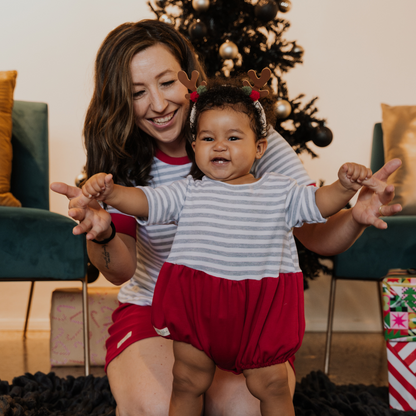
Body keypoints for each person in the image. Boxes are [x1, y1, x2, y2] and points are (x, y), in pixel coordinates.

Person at [50, 19, 402, 416]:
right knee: (159, 405)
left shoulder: (254, 142)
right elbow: (121, 269)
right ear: (120, 99)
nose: (159, 104)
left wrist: (355, 215)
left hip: (250, 311)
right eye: (137, 92)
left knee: (247, 408)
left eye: (167, 83)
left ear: (190, 78)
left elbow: (317, 232)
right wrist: (102, 230)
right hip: (160, 309)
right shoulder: (125, 165)